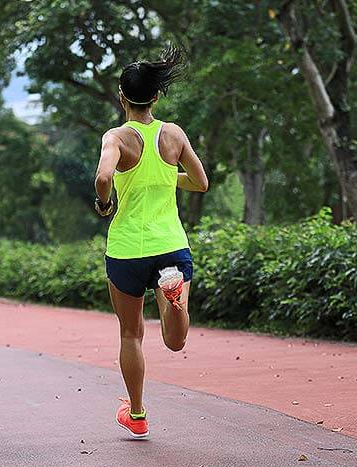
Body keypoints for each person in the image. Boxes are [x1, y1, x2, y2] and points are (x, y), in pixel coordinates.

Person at [94, 46, 208, 439]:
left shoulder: (117, 137)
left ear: (122, 98)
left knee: (131, 333)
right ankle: (173, 297)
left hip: (127, 250)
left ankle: (138, 414)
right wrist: (166, 176)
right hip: (170, 246)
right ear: (156, 97)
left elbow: (104, 178)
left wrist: (104, 202)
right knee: (174, 341)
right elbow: (200, 182)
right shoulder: (173, 134)